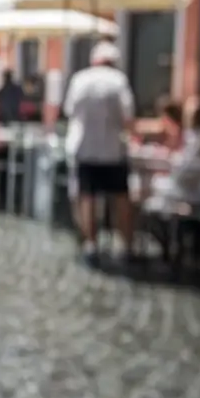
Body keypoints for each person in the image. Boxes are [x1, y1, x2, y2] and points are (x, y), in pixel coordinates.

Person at [62, 42, 135, 264]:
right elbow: (128, 116)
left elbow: (69, 111)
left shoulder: (80, 80)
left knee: (88, 197)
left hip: (85, 147)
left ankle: (91, 244)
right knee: (121, 197)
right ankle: (124, 245)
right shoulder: (119, 81)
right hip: (113, 149)